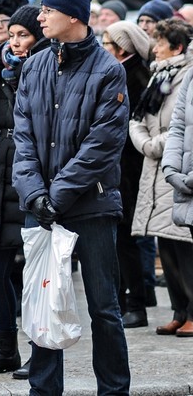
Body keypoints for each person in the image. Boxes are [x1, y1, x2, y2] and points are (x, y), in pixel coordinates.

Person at [12, 0, 131, 395]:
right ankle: (43, 390)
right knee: (44, 302)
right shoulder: (35, 64)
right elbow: (22, 137)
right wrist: (34, 195)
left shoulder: (108, 70)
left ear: (74, 16)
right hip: (40, 204)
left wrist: (55, 195)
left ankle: (113, 390)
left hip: (91, 206)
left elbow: (103, 144)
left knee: (104, 308)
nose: (40, 16)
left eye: (48, 9)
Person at [0, 5, 49, 376]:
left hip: (33, 171)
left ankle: (40, 351)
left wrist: (15, 77)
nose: (14, 42)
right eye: (11, 34)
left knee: (35, 274)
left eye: (23, 35)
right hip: (1, 169)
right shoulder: (1, 69)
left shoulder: (45, 68)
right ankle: (6, 349)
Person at [102, 21, 154, 328]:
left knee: (126, 238)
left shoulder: (135, 77)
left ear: (122, 48)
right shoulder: (121, 72)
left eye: (107, 44)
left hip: (128, 169)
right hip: (119, 167)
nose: (103, 48)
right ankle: (126, 302)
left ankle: (136, 303)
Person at [149, 19, 193, 337]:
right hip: (176, 177)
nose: (155, 48)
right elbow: (177, 125)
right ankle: (182, 309)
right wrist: (171, 169)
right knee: (171, 247)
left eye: (160, 42)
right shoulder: (187, 76)